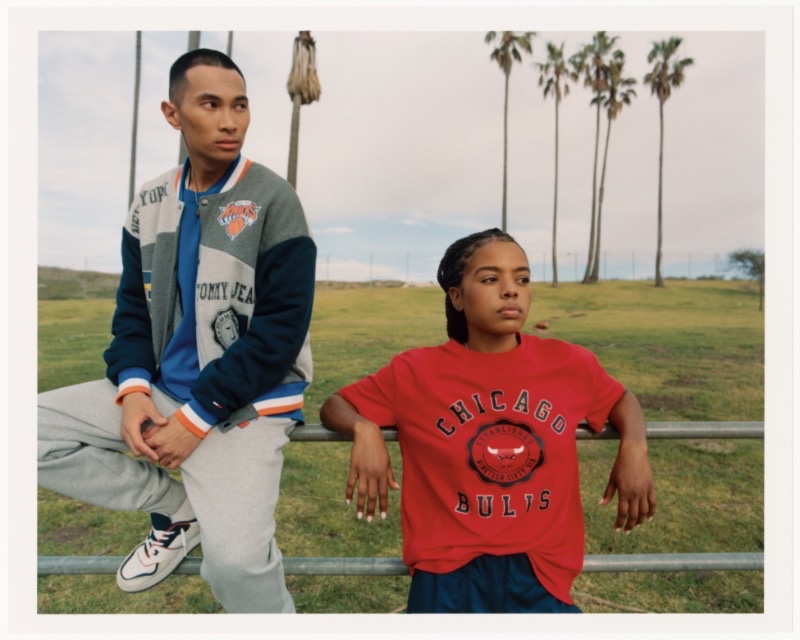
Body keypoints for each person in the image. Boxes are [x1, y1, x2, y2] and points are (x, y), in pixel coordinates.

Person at [38, 48, 316, 614]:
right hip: (164, 390)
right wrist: (135, 389)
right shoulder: (148, 202)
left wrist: (196, 418)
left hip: (246, 405)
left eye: (239, 105)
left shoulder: (274, 199)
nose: (229, 120)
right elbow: (131, 312)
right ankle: (180, 505)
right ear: (173, 113)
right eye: (209, 104)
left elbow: (281, 332)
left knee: (237, 565)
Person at [320, 228, 655, 614]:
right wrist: (365, 430)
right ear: (457, 297)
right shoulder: (416, 371)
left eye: (522, 278)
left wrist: (634, 447)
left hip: (542, 570)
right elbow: (336, 403)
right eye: (491, 279)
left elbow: (620, 399)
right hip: (446, 572)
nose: (511, 290)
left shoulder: (569, 364)